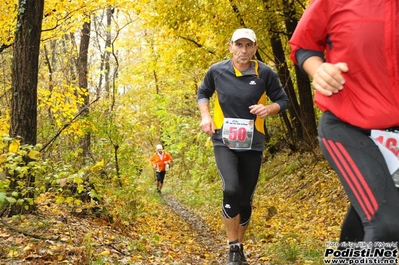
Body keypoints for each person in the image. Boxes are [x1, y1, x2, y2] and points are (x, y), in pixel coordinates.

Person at [289, 0, 399, 249]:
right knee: (387, 226)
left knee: (364, 221)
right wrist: (318, 70)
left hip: (394, 135)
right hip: (347, 125)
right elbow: (303, 45)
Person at [197, 28, 289, 265]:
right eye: (239, 45)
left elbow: (283, 100)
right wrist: (206, 117)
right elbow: (203, 93)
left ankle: (239, 247)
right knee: (231, 190)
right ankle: (233, 247)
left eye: (249, 45)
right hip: (224, 140)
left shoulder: (264, 73)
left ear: (255, 48)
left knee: (245, 199)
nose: (243, 50)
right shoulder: (217, 71)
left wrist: (269, 109)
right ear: (231, 47)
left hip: (253, 141)